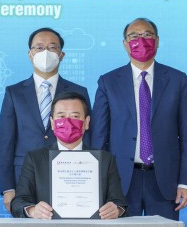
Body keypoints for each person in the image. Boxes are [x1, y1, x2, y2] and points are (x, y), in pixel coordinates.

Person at [89, 17, 187, 219]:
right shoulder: (108, 82)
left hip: (164, 180)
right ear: (125, 43)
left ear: (157, 40)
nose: (141, 40)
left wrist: (185, 182)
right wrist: (100, 183)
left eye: (147, 35)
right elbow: (99, 138)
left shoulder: (177, 79)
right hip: (120, 181)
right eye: (134, 36)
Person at [0, 27, 90, 212]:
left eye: (52, 47)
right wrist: (8, 188)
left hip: (71, 175)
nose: (45, 52)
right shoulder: (14, 93)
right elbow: (6, 142)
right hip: (24, 178)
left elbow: (88, 137)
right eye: (39, 48)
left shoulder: (79, 92)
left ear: (61, 55)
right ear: (30, 54)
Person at [11, 91, 127, 219]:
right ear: (52, 123)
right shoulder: (35, 159)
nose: (68, 122)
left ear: (86, 122)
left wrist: (116, 210)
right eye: (61, 116)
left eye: (75, 116)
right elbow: (18, 202)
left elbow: (120, 202)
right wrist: (33, 210)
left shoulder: (105, 159)